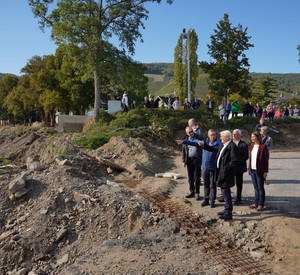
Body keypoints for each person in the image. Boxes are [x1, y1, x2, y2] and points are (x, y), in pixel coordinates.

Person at [199, 130, 238, 221]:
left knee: (226, 193)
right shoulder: (223, 145)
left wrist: (225, 169)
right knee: (224, 193)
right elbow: (214, 149)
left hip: (226, 174)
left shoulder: (232, 146)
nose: (220, 138)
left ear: (227, 137)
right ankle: (226, 209)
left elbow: (234, 161)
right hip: (221, 173)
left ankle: (228, 213)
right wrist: (204, 145)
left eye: (221, 136)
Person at [180, 127, 202, 200]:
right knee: (190, 177)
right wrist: (183, 161)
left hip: (197, 160)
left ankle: (197, 193)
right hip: (189, 160)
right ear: (187, 133)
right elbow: (183, 151)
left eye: (191, 131)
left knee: (197, 177)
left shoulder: (198, 138)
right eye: (189, 132)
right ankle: (192, 192)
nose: (191, 133)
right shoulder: (185, 141)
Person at [201, 129, 222, 208]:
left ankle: (212, 200)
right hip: (204, 167)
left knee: (213, 185)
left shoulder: (218, 144)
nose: (213, 136)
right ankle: (206, 199)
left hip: (213, 168)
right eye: (211, 135)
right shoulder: (204, 142)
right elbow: (194, 142)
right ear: (208, 135)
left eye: (214, 135)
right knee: (206, 184)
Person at [248, 131, 269, 211]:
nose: (252, 138)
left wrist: (265, 171)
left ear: (258, 137)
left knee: (260, 188)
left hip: (260, 170)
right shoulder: (252, 145)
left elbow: (266, 160)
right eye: (251, 137)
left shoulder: (263, 146)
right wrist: (249, 168)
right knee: (255, 187)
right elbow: (251, 158)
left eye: (253, 137)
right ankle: (255, 203)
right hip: (252, 170)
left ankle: (261, 204)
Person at [232, 129, 249, 205]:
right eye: (233, 134)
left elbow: (246, 156)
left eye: (235, 134)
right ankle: (226, 196)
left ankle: (238, 198)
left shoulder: (243, 145)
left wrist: (237, 162)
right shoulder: (230, 143)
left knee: (239, 183)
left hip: (239, 167)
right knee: (228, 182)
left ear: (239, 135)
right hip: (231, 167)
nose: (234, 136)